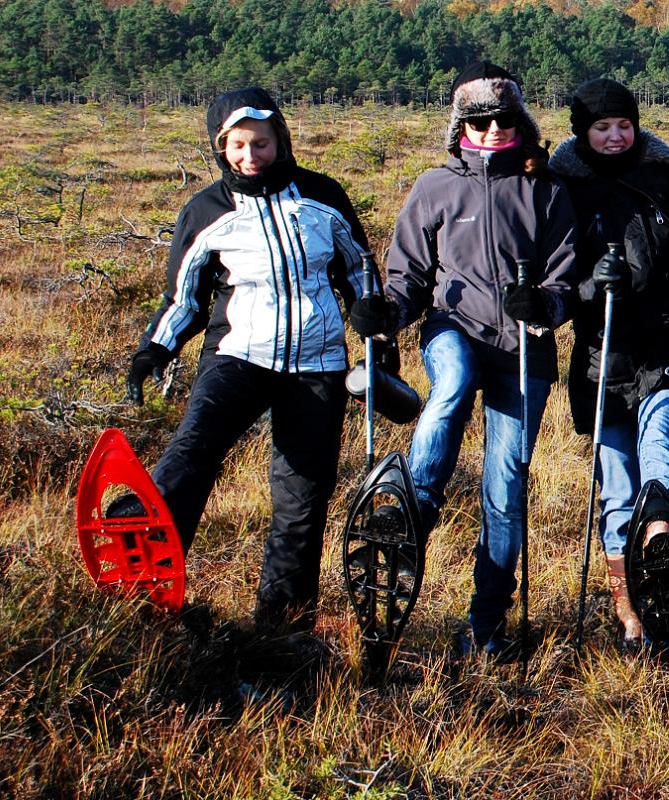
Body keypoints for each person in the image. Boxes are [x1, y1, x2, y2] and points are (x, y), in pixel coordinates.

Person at [347, 61, 579, 660]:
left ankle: (487, 626)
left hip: (524, 352)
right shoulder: (434, 187)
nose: (491, 130)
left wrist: (546, 303)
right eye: (478, 120)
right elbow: (407, 279)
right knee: (452, 383)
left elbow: (566, 278)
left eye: (503, 119)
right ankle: (411, 510)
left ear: (522, 124)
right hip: (453, 329)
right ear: (460, 125)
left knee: (505, 490)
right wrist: (385, 314)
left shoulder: (547, 191)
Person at [123, 87, 370, 635]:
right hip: (237, 355)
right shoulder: (206, 210)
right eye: (237, 145)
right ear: (221, 146)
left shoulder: (323, 197)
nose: (250, 156)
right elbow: (184, 297)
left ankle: (283, 629)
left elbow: (359, 274)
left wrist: (378, 337)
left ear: (280, 140)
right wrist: (155, 350)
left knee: (302, 501)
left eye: (261, 142)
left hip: (318, 364)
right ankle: (145, 580)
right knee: (189, 456)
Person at [548, 78, 669, 646]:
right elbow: (558, 281)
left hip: (667, 342)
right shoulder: (562, 187)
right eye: (603, 127)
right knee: (616, 486)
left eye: (625, 125)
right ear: (583, 132)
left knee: (661, 449)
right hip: (602, 357)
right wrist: (592, 286)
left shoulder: (666, 175)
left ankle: (665, 553)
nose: (617, 136)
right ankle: (631, 614)